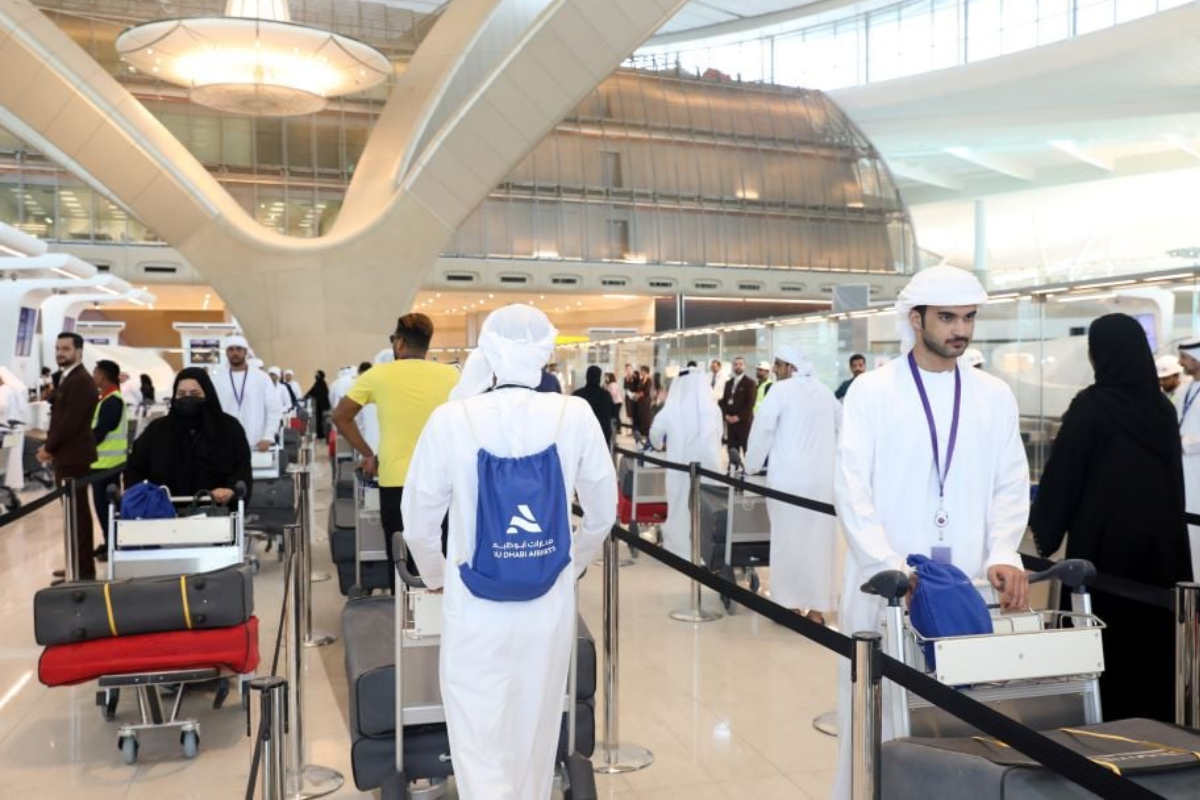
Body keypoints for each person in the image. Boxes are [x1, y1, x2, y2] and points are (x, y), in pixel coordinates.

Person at [401, 305, 614, 800]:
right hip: (548, 605)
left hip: (474, 603)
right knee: (537, 729)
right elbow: (603, 511)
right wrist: (572, 564)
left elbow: (418, 520)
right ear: (545, 352)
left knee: (477, 731)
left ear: (489, 353)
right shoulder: (574, 414)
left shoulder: (451, 418)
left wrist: (437, 575)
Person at [832, 265, 1030, 799]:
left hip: (968, 586)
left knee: (964, 729)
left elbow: (1011, 484)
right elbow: (852, 491)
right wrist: (886, 566)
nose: (959, 330)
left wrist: (1004, 549)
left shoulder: (994, 395)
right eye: (947, 318)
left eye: (967, 317)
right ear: (915, 319)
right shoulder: (871, 392)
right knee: (881, 727)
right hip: (888, 591)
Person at [1031, 314, 1191, 723]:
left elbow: (1064, 475)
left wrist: (1045, 532)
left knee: (1101, 644)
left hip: (1103, 559)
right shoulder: (1162, 409)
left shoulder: (1092, 406)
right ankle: (1155, 728)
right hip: (1158, 559)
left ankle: (1097, 730)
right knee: (1149, 648)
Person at [332, 313, 460, 587]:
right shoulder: (452, 375)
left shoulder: (378, 374)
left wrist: (368, 454)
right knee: (443, 555)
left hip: (396, 481)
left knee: (401, 557)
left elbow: (341, 416)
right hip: (444, 481)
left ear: (399, 343)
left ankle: (403, 619)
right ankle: (441, 621)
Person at [744, 345, 841, 624]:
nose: (774, 369)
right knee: (819, 543)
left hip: (788, 481)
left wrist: (750, 466)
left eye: (778, 364)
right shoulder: (824, 392)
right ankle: (817, 610)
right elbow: (845, 425)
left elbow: (762, 430)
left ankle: (789, 605)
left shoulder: (780, 392)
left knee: (788, 541)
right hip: (822, 480)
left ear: (791, 367)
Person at [126, 368, 252, 503]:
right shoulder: (157, 430)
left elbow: (242, 468)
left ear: (207, 394)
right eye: (181, 394)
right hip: (165, 512)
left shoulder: (229, 428)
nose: (187, 398)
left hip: (217, 511)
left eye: (194, 393)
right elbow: (135, 466)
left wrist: (230, 490)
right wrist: (138, 493)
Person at [38, 333, 100, 581]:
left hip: (73, 457)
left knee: (78, 517)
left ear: (79, 351)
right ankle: (75, 564)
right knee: (73, 516)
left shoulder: (81, 381)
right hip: (67, 457)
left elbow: (69, 422)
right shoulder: (69, 378)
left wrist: (49, 448)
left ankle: (82, 571)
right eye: (57, 348)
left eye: (65, 348)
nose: (60, 353)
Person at [649, 367, 723, 557]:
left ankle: (679, 550)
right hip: (709, 468)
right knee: (708, 509)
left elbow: (654, 435)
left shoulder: (671, 409)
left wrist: (658, 446)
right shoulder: (713, 409)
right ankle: (707, 553)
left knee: (679, 507)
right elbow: (720, 436)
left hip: (680, 468)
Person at [213, 335, 282, 452]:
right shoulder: (217, 379)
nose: (235, 353)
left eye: (239, 349)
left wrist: (268, 436)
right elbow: (211, 410)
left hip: (256, 444)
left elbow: (273, 409)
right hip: (225, 444)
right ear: (226, 353)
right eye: (231, 349)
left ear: (246, 352)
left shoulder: (261, 378)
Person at [89, 360, 127, 563]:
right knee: (105, 508)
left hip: (107, 466)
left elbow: (101, 432)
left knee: (107, 508)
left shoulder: (112, 401)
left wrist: (82, 447)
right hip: (102, 464)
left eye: (95, 372)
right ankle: (109, 541)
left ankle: (113, 544)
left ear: (103, 375)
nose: (93, 376)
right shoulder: (106, 399)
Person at [1175, 339, 1200, 577]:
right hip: (1181, 469)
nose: (1180, 363)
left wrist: (1184, 443)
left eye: (1184, 357)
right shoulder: (1184, 389)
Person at [720, 356, 756, 453]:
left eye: (740, 364)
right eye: (735, 364)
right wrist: (726, 416)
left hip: (744, 424)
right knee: (732, 452)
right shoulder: (728, 383)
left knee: (747, 452)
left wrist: (738, 417)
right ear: (733, 367)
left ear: (744, 366)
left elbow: (750, 403)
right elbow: (723, 402)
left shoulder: (750, 383)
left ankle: (748, 468)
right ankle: (733, 468)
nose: (738, 366)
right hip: (731, 425)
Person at [573, 365, 614, 446]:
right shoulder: (605, 395)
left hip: (581, 436)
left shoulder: (577, 394)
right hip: (602, 436)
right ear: (599, 378)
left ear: (587, 377)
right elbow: (612, 413)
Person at [304, 370, 331, 439]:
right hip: (319, 405)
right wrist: (305, 396)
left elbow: (316, 392)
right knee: (319, 420)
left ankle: (321, 435)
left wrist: (307, 396)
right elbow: (312, 391)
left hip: (322, 406)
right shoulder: (318, 383)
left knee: (321, 421)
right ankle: (320, 434)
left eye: (317, 374)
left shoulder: (321, 383)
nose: (316, 376)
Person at [632, 365, 654, 438]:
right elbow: (638, 390)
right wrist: (636, 395)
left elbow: (646, 391)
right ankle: (641, 433)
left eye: (642, 370)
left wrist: (638, 395)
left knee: (645, 417)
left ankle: (646, 433)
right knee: (640, 416)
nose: (641, 372)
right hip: (640, 401)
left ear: (646, 371)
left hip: (645, 401)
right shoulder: (641, 380)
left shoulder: (649, 380)